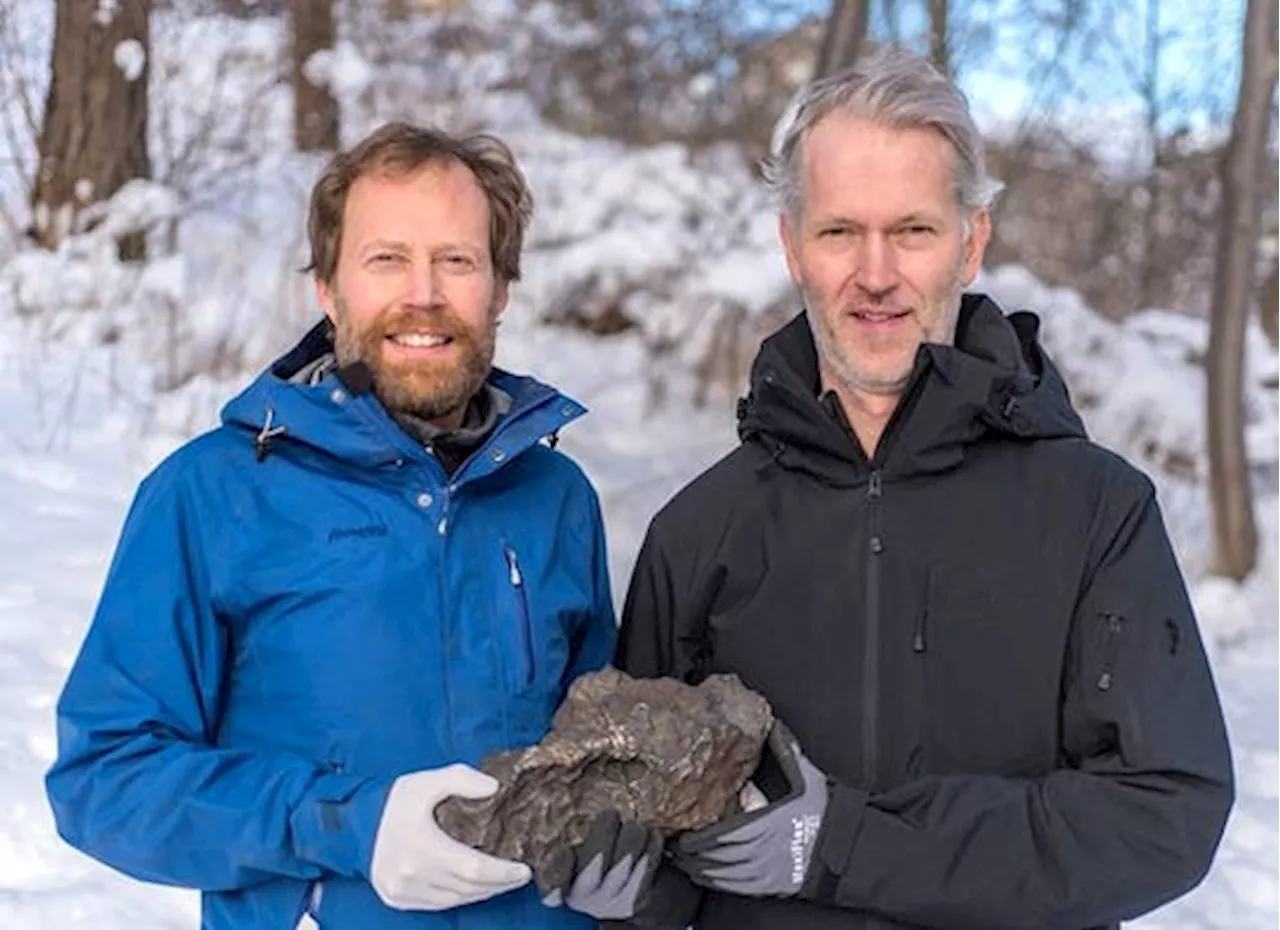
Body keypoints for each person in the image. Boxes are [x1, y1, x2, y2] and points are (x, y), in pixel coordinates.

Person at [603, 45, 1235, 930]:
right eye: (838, 232)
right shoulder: (699, 532)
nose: (874, 274)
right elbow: (653, 826)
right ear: (792, 246)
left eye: (912, 230)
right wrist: (630, 890)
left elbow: (1165, 814)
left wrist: (847, 845)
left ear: (970, 241)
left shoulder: (1095, 511)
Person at [45, 121, 617, 930]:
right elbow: (104, 780)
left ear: (501, 287)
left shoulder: (555, 497)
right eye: (386, 259)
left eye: (456, 260)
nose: (424, 294)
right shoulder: (213, 494)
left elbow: (600, 748)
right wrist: (343, 824)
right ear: (328, 288)